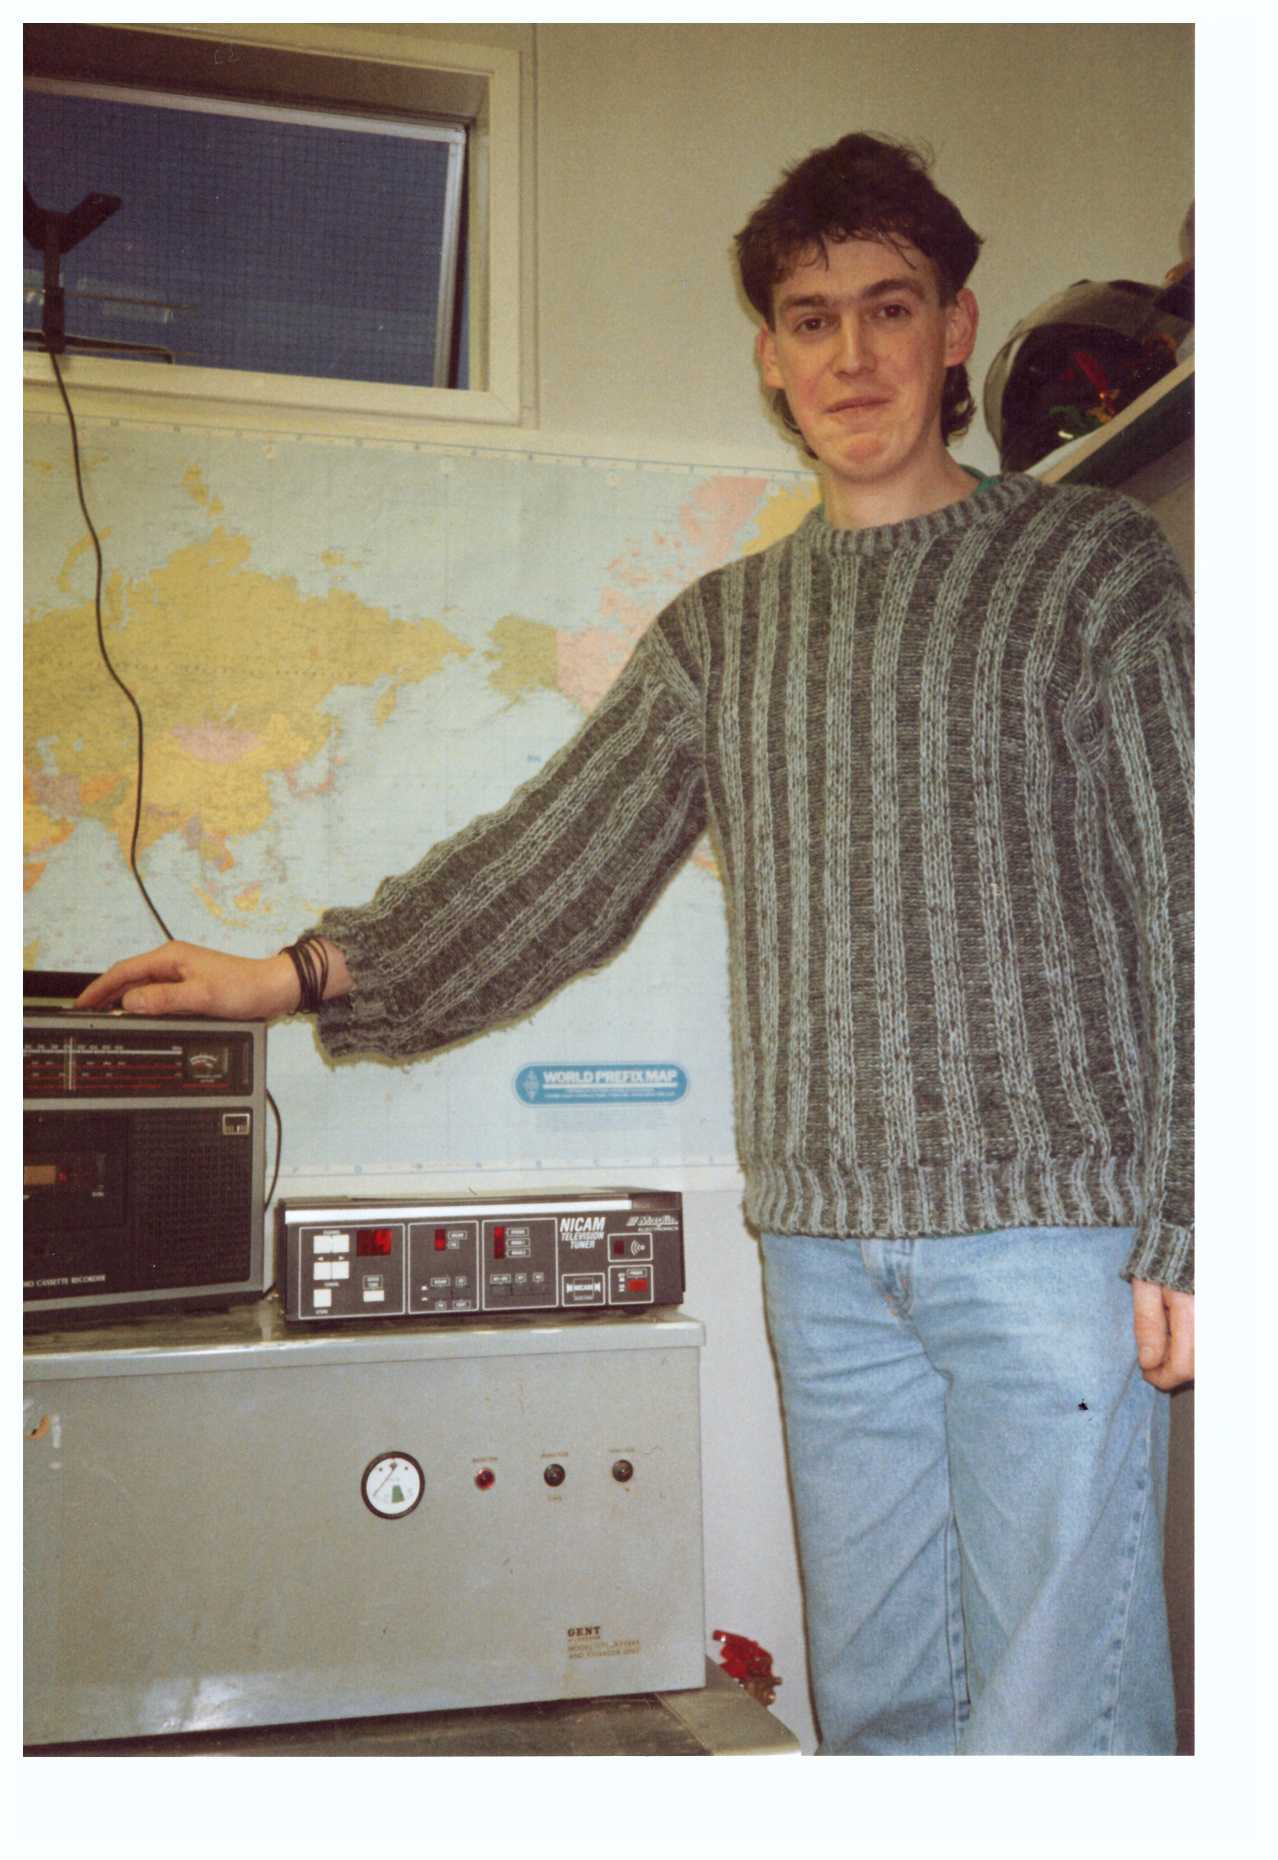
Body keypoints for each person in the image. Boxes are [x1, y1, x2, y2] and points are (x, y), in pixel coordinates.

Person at [76, 132, 1193, 1755]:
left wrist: (1196, 1214)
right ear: (769, 356)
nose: (851, 353)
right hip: (822, 1256)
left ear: (955, 326)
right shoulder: (723, 634)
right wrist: (297, 973)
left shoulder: (1088, 565)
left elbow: (1196, 895)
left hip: (1049, 1246)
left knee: (1057, 1730)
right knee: (882, 1717)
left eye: (889, 308)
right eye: (809, 318)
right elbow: (553, 865)